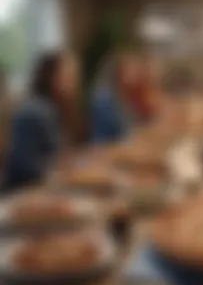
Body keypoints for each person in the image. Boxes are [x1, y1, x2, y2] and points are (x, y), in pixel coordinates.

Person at [2, 51, 79, 191]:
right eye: (68, 76)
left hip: (41, 189)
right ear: (52, 77)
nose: (73, 82)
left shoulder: (51, 108)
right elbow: (26, 167)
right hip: (21, 194)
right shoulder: (37, 112)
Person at [91, 51, 135, 143]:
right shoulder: (104, 102)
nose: (133, 76)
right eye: (128, 71)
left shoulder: (125, 97)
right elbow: (102, 143)